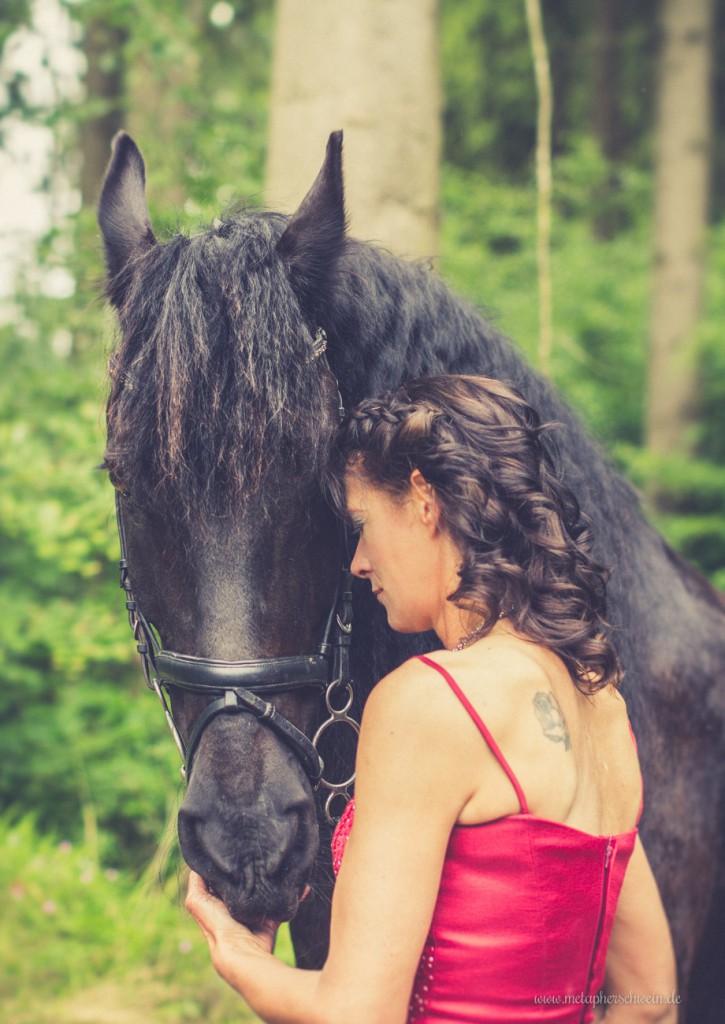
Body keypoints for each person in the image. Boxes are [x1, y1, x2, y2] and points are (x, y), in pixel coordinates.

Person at [186, 374, 678, 1024]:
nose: (358, 562)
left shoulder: (430, 701)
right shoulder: (599, 702)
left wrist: (237, 955)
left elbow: (355, 1014)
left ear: (424, 500)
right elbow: (649, 1000)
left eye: (362, 523)